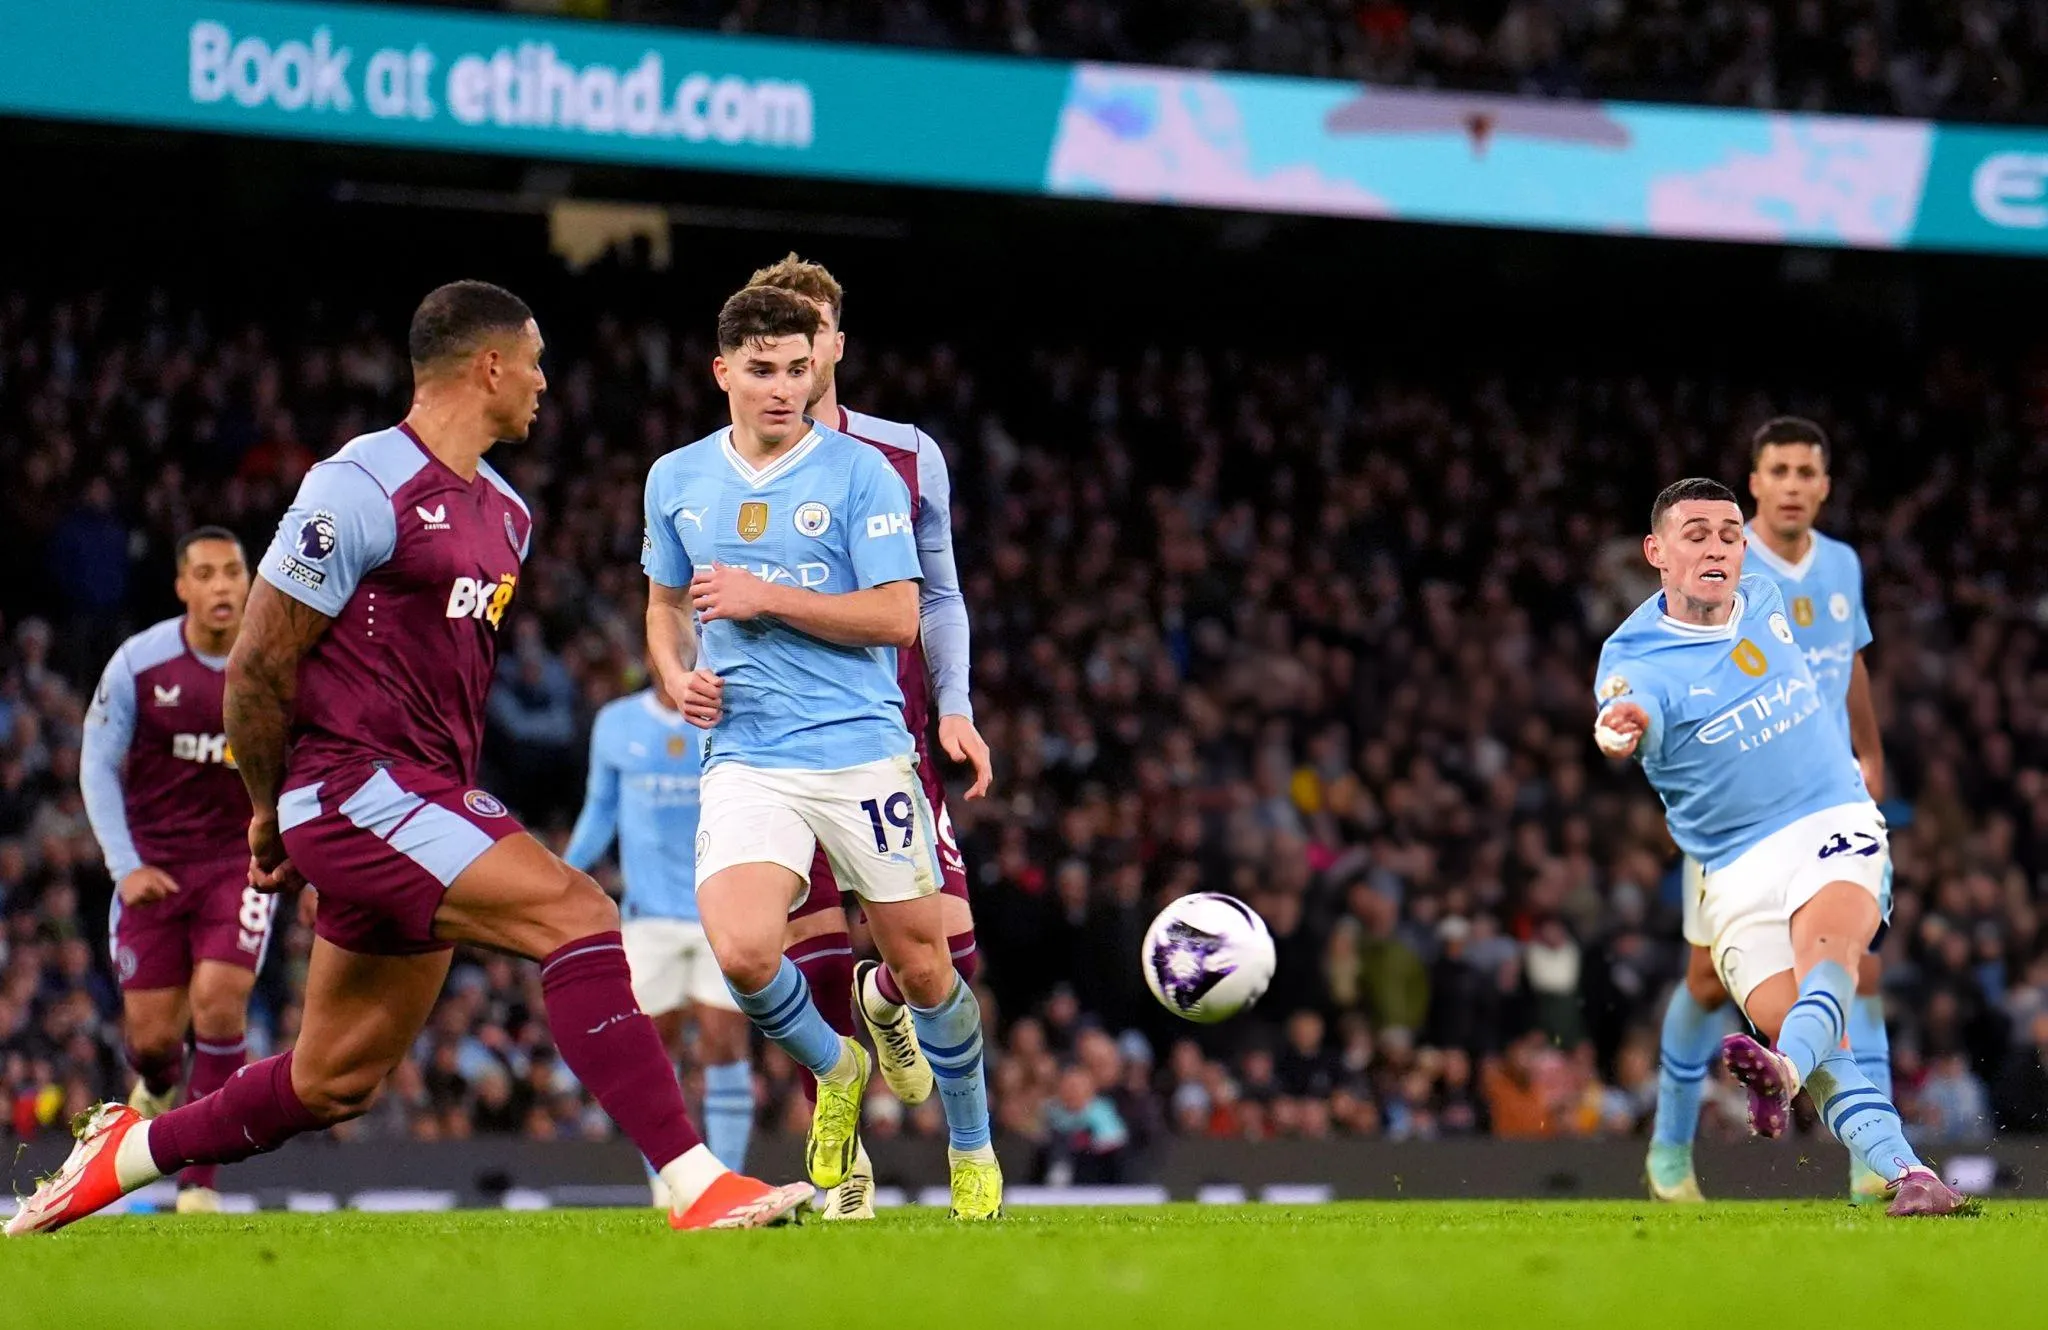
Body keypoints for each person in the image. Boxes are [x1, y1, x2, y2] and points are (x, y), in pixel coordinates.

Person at [8, 280, 808, 1236]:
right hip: (352, 790)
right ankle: (693, 1182)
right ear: (490, 365)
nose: (548, 383)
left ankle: (120, 1157)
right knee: (578, 912)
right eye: (538, 360)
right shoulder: (357, 486)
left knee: (331, 1080)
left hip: (419, 800)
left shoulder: (508, 515)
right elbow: (259, 666)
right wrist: (270, 812)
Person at [642, 284, 1001, 1220]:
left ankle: (972, 1145)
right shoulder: (675, 478)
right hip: (747, 756)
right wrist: (676, 676)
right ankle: (838, 1080)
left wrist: (768, 597)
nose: (783, 388)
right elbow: (664, 607)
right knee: (749, 951)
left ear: (828, 355)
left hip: (864, 751)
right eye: (763, 370)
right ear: (723, 371)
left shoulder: (877, 467)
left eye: (799, 368)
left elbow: (902, 612)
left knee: (932, 968)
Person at [1594, 477, 1965, 1218]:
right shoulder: (1634, 659)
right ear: (1655, 552)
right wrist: (1618, 728)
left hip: (1831, 822)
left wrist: (1864, 749)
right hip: (1731, 871)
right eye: (1696, 534)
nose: (1718, 548)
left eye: (1730, 535)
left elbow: (1844, 661)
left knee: (1836, 958)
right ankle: (1909, 1172)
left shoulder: (1764, 597)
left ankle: (1787, 1077)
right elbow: (1619, 714)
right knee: (1809, 1032)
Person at [745, 253, 994, 1220]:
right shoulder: (726, 467)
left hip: (884, 739)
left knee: (947, 959)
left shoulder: (905, 455)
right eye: (777, 344)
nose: (796, 360)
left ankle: (886, 997)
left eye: (811, 336)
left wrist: (956, 705)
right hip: (775, 745)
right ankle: (843, 1174)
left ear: (835, 345)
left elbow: (940, 595)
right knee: (802, 961)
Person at [1646, 418, 1892, 1204]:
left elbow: (1847, 659)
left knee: (1859, 968)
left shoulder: (1843, 565)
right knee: (1706, 981)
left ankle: (1870, 1162)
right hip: (1739, 813)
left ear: (1824, 485)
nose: (1791, 485)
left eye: (1805, 472)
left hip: (1825, 802)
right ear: (1753, 482)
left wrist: (1870, 750)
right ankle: (1670, 1151)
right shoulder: (1726, 566)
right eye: (1777, 470)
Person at [77, 527, 271, 1213]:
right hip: (153, 868)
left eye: (232, 573)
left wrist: (302, 868)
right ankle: (157, 1085)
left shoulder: (274, 662)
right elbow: (96, 764)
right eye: (206, 574)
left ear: (249, 581)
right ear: (182, 587)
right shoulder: (140, 664)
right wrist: (124, 866)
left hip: (236, 865)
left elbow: (307, 766)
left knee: (220, 1004)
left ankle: (199, 1183)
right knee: (152, 1040)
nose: (222, 586)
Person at [563, 670, 757, 1188]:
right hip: (647, 919)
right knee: (655, 1050)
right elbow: (600, 812)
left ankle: (730, 1181)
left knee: (723, 1041)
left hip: (719, 911)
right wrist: (564, 874)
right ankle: (669, 1188)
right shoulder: (616, 722)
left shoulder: (728, 716)